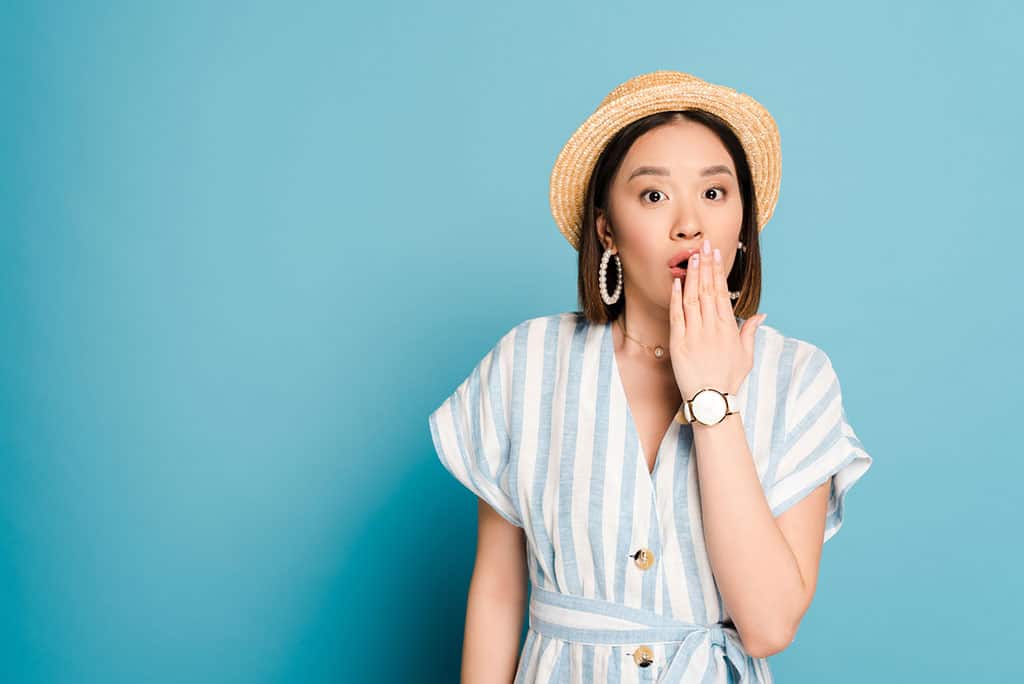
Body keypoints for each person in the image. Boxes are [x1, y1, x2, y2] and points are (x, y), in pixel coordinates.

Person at [428, 70, 872, 684]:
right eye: (654, 195)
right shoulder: (525, 362)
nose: (690, 224)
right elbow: (498, 594)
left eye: (714, 193)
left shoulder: (798, 377)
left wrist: (711, 397)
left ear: (743, 225)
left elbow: (768, 625)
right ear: (606, 227)